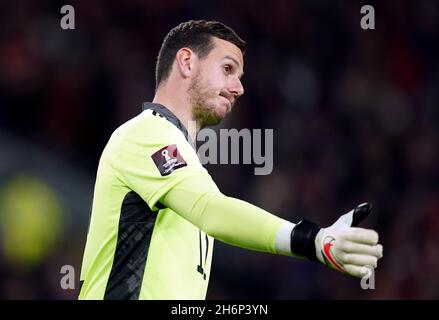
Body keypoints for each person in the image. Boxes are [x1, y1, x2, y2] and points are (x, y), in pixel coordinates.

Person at [78, 20, 383, 300]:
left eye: (239, 76)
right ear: (186, 62)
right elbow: (210, 210)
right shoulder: (145, 132)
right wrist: (312, 240)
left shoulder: (185, 163)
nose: (239, 88)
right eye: (227, 69)